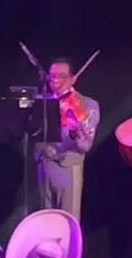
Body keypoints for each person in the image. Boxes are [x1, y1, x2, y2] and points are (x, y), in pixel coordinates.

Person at [38, 57, 99, 220]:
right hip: (45, 165)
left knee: (68, 221)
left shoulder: (87, 104)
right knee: (45, 220)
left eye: (61, 76)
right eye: (52, 76)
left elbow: (86, 145)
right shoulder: (42, 102)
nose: (56, 80)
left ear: (73, 78)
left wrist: (77, 133)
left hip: (69, 165)